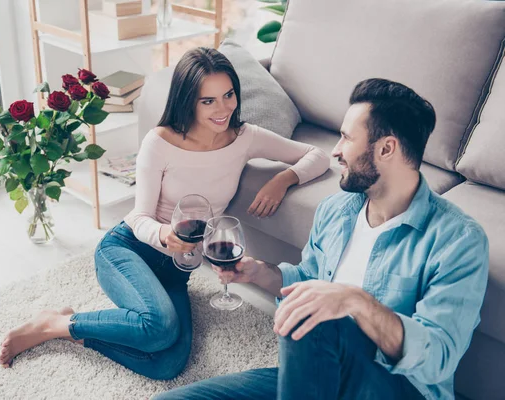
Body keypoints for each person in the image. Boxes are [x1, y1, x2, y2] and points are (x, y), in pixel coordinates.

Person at [0, 47, 331, 379]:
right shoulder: (160, 142)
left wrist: (284, 179)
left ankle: (77, 331)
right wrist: (163, 235)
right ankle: (56, 324)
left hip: (175, 270)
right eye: (208, 100)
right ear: (188, 100)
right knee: (160, 327)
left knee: (167, 364)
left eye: (229, 95)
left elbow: (318, 155)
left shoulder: (245, 138)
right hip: (128, 250)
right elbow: (139, 216)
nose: (223, 108)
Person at [155, 78, 489, 399]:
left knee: (315, 318)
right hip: (322, 374)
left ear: (387, 148)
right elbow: (309, 280)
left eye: (346, 138)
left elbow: (439, 358)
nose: (336, 151)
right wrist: (259, 272)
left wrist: (356, 302)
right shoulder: (338, 209)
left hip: (395, 387)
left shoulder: (457, 240)